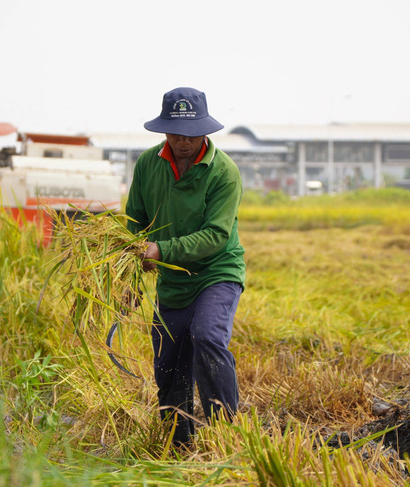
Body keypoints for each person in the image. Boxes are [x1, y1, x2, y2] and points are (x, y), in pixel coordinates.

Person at [125, 87, 246, 446]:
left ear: (204, 132)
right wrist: (129, 279)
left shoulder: (223, 172)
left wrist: (160, 250)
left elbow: (215, 236)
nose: (183, 141)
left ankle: (226, 436)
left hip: (216, 273)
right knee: (168, 363)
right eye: (175, 133)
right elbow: (135, 222)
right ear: (163, 130)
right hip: (174, 282)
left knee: (207, 336)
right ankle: (178, 442)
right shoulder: (149, 164)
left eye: (191, 134)